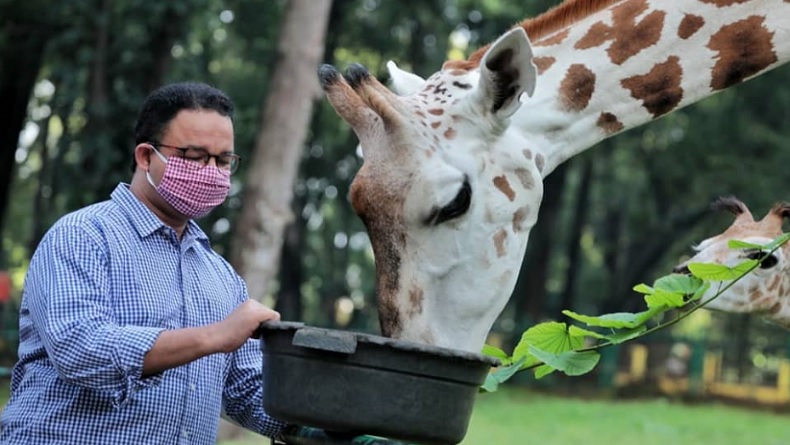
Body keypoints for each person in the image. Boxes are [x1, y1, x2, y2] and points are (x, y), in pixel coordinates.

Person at [0, 82, 288, 444]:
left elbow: (248, 392)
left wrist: (335, 419)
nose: (211, 171)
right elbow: (78, 349)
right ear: (145, 156)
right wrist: (213, 336)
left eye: (223, 160)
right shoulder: (82, 236)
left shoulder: (222, 277)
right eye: (195, 156)